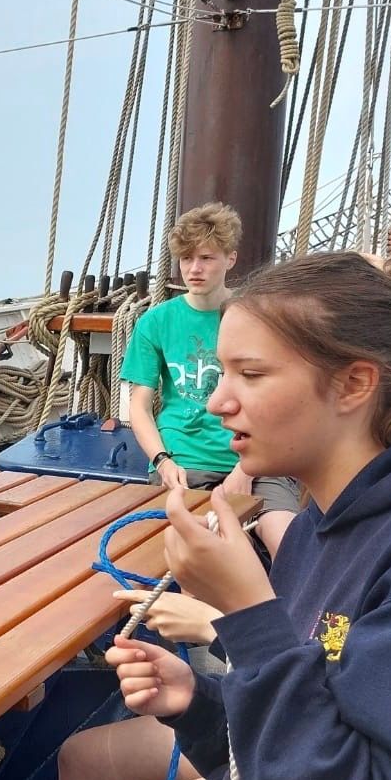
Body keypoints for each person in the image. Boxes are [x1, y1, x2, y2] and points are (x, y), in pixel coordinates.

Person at [0, 251, 391, 780]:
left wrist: (248, 615)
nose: (219, 402)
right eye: (222, 372)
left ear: (354, 385)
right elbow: (293, 731)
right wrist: (195, 703)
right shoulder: (316, 529)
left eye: (249, 374)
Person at [121, 202, 298, 558]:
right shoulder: (155, 323)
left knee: (289, 548)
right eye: (186, 259)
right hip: (184, 462)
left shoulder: (258, 318)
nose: (194, 269)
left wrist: (246, 468)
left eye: (206, 258)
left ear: (230, 259)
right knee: (205, 555)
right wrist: (163, 462)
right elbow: (139, 406)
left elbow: (279, 398)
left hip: (258, 460)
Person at [57, 591, 222, 780]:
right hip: (267, 709)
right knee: (81, 760)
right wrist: (198, 696)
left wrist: (214, 626)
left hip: (289, 775)